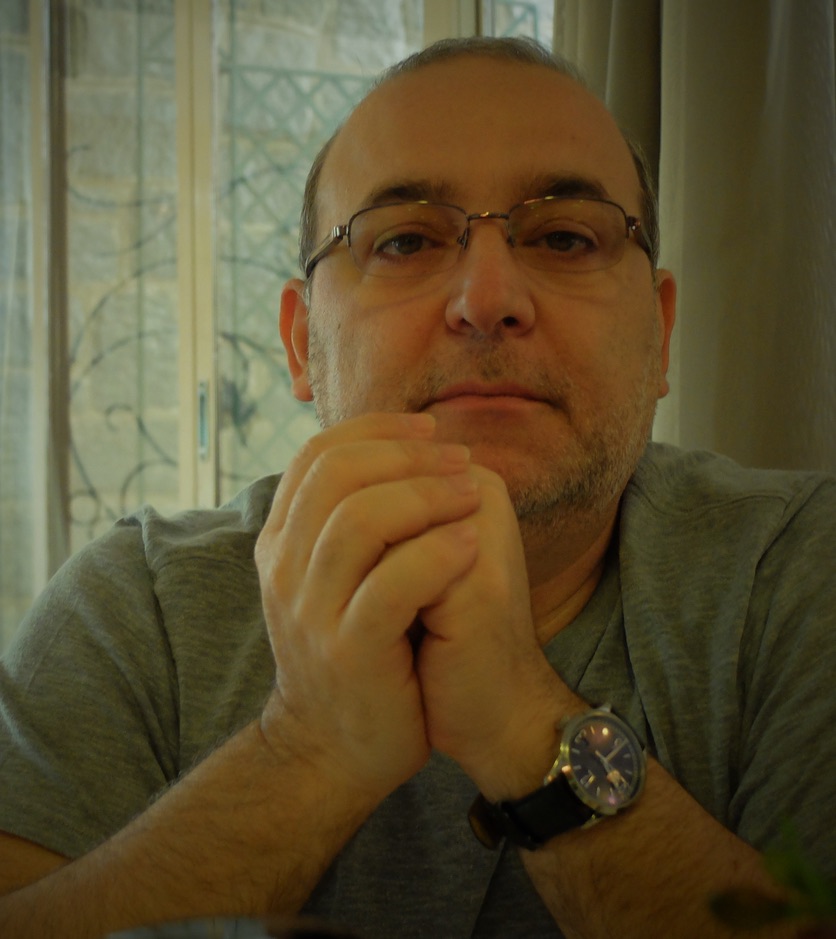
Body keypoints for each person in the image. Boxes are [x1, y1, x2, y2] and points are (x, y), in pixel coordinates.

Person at [0, 35, 833, 939]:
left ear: (661, 335)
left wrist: (521, 720)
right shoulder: (132, 610)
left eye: (564, 236)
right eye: (403, 240)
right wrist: (307, 746)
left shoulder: (802, 575)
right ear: (301, 343)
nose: (487, 297)